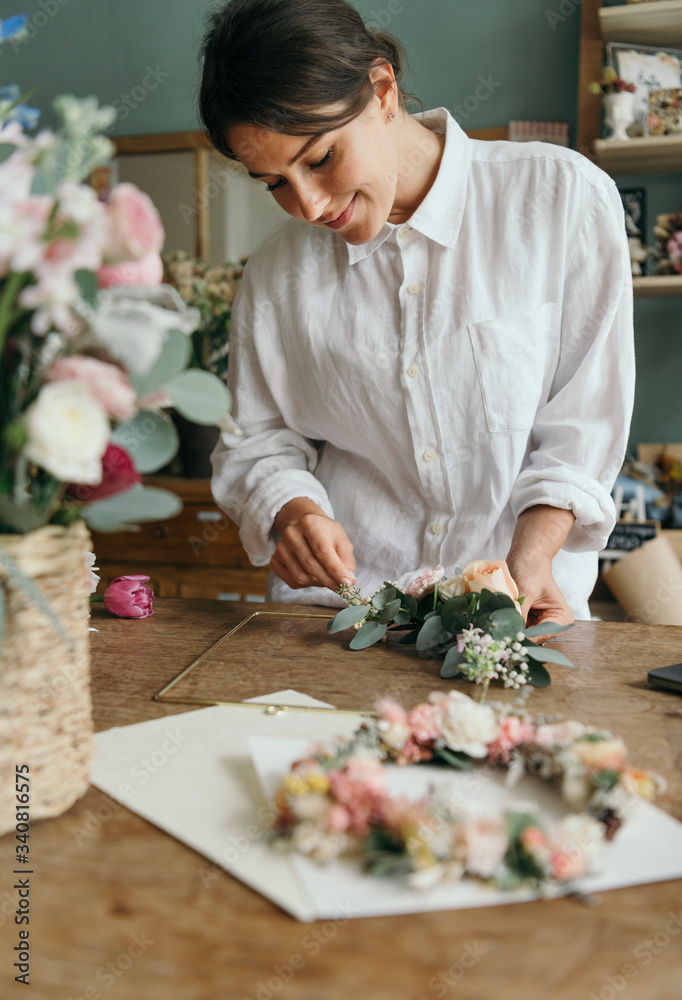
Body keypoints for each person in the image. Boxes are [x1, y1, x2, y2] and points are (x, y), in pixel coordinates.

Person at [199, 0, 634, 631]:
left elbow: (583, 425)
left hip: (520, 616)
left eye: (319, 159)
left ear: (381, 90)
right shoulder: (274, 274)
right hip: (337, 621)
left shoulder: (561, 200)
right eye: (274, 183)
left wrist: (531, 558)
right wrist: (292, 512)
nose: (309, 204)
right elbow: (257, 441)